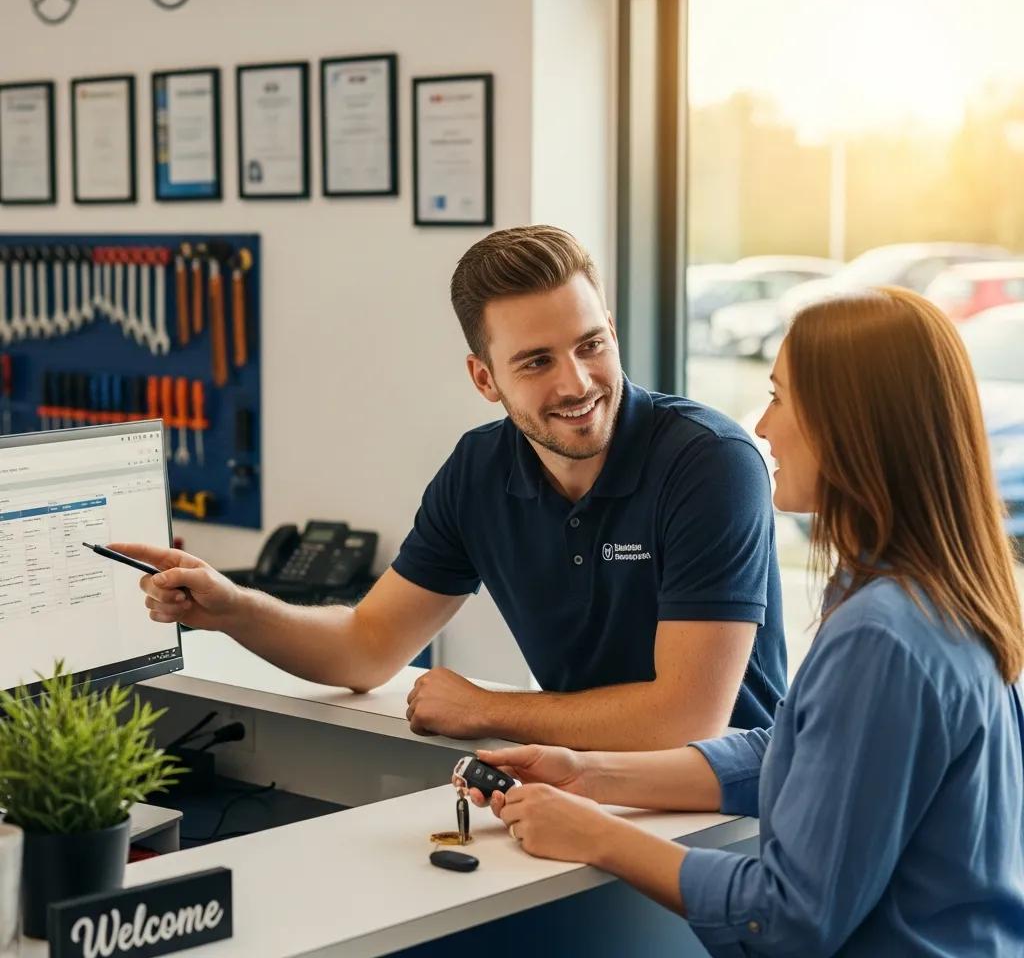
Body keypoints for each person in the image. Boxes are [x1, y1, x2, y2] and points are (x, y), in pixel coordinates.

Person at [467, 287, 1024, 956]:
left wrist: (597, 835)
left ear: (852, 426)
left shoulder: (882, 636)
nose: (762, 427)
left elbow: (786, 917)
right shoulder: (932, 595)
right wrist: (589, 774)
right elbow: (798, 753)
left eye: (781, 398)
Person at [115, 226, 787, 750]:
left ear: (611, 332)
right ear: (484, 379)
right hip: (587, 785)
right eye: (536, 361)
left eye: (590, 345)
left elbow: (688, 719)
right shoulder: (478, 473)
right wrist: (236, 608)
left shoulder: (711, 463)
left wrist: (489, 710)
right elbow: (366, 646)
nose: (577, 383)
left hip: (730, 815)